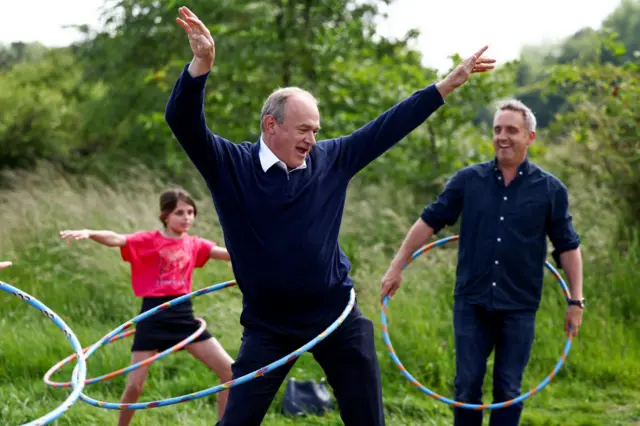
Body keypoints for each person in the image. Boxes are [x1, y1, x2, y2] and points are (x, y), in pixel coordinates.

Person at [165, 6, 495, 425]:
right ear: (270, 125)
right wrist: (201, 65)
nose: (312, 138)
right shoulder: (230, 164)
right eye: (304, 129)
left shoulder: (331, 160)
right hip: (269, 327)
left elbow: (386, 127)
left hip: (336, 315)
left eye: (316, 130)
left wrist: (446, 85)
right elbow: (182, 121)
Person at [380, 99, 584, 426]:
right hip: (471, 303)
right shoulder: (468, 181)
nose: (503, 137)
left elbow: (568, 247)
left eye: (512, 130)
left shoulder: (550, 190)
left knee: (508, 389)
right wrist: (396, 265)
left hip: (519, 305)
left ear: (530, 136)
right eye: (497, 129)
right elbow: (429, 221)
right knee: (466, 387)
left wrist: (576, 300)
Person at [59, 188, 234, 426]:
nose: (187, 218)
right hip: (153, 317)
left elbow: (229, 255)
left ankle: (224, 423)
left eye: (191, 212)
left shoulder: (195, 244)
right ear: (165, 216)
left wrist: (265, 252)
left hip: (184, 318)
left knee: (231, 372)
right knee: (134, 386)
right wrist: (89, 233)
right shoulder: (149, 240)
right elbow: (117, 239)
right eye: (179, 213)